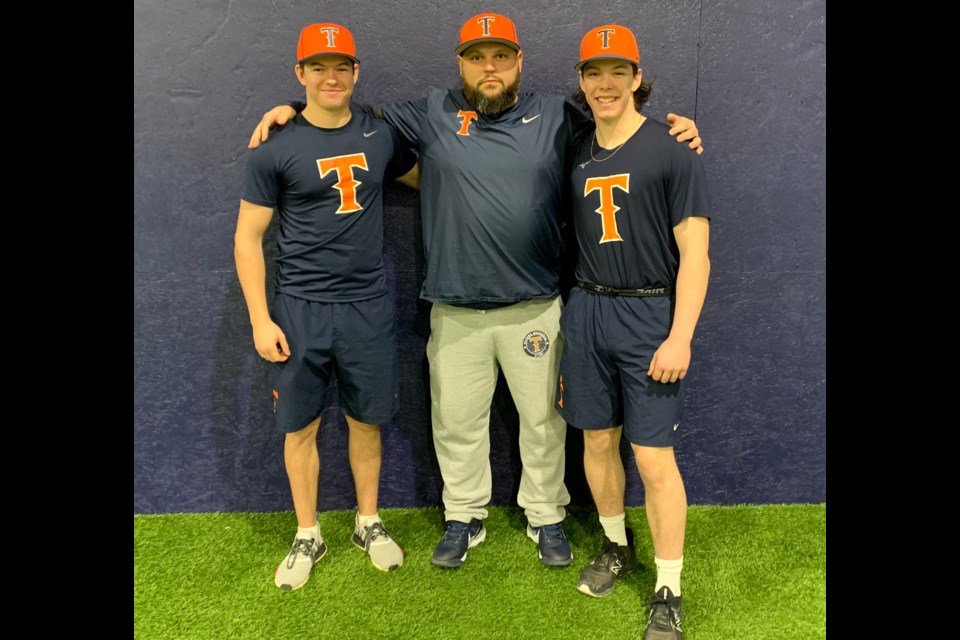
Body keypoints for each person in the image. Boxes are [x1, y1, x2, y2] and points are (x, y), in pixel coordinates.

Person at [247, 12, 703, 571]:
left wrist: (676, 130)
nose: (490, 68)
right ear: (460, 63)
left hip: (534, 303)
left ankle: (546, 516)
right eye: (476, 57)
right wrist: (290, 110)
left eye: (501, 56)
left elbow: (621, 129)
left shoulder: (559, 115)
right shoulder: (431, 111)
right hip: (455, 305)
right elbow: (343, 114)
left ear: (519, 62)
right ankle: (464, 515)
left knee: (543, 422)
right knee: (457, 421)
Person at [234, 22, 419, 591]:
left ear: (356, 72)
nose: (331, 77)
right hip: (299, 307)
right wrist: (261, 319)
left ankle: (367, 520)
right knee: (301, 428)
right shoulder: (277, 145)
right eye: (318, 67)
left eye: (341, 66)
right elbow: (247, 238)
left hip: (365, 304)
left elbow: (435, 179)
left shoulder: (380, 135)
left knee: (367, 421)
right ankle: (308, 531)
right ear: (301, 74)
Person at [555, 24, 710, 639]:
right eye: (594, 72)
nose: (606, 83)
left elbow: (695, 254)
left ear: (638, 78)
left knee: (652, 455)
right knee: (596, 443)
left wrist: (681, 336)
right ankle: (617, 546)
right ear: (582, 81)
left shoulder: (672, 148)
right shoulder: (575, 146)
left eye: (618, 72)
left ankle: (669, 586)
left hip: (651, 313)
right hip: (588, 309)